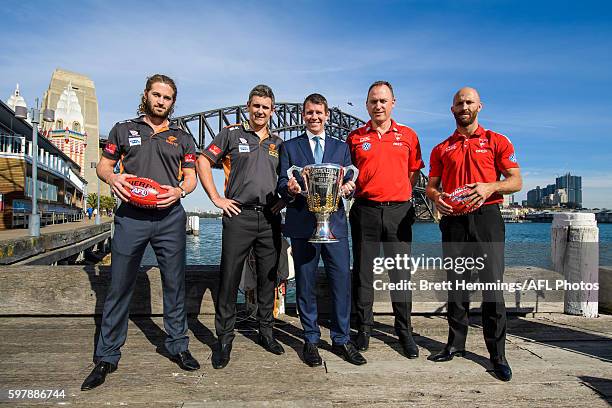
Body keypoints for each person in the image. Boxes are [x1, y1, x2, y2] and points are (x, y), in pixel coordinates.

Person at [81, 74, 199, 391]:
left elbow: (191, 178)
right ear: (146, 95)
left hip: (170, 218)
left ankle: (179, 346)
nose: (161, 101)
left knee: (175, 284)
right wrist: (112, 179)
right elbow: (104, 166)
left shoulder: (182, 137)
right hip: (131, 217)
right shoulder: (123, 129)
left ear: (173, 102)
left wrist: (180, 191)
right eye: (157, 95)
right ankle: (106, 356)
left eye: (168, 98)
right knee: (119, 285)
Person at [425, 87, 522, 382]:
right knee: (456, 286)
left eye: (469, 102)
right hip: (453, 220)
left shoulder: (497, 141)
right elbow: (431, 185)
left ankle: (497, 355)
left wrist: (490, 186)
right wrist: (435, 196)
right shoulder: (442, 148)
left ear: (480, 106)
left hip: (486, 219)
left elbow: (516, 181)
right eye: (459, 103)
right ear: (452, 109)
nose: (464, 106)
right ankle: (455, 344)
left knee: (492, 286)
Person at [196, 84, 285, 369]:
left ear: (273, 111)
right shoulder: (231, 134)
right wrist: (216, 198)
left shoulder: (279, 143)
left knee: (267, 278)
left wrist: (282, 204)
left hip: (270, 218)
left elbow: (288, 181)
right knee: (229, 277)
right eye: (256, 105)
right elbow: (202, 160)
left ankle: (266, 332)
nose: (260, 111)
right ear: (248, 106)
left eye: (266, 107)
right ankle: (224, 338)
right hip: (238, 215)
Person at [277, 93, 366, 367]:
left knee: (341, 281)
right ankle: (311, 339)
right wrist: (290, 188)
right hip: (302, 224)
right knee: (305, 283)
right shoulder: (290, 146)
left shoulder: (341, 148)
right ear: (303, 116)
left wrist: (350, 188)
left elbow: (349, 178)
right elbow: (281, 181)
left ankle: (341, 339)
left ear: (327, 115)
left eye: (319, 112)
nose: (314, 117)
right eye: (309, 113)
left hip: (335, 224)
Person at [347, 80, 424, 359]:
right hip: (365, 210)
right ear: (366, 104)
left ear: (393, 103)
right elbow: (349, 174)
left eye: (383, 100)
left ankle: (404, 332)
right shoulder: (354, 137)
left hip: (398, 212)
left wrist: (398, 192)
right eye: (373, 101)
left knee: (400, 277)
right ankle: (364, 330)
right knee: (363, 275)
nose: (378, 105)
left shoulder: (408, 135)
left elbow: (414, 172)